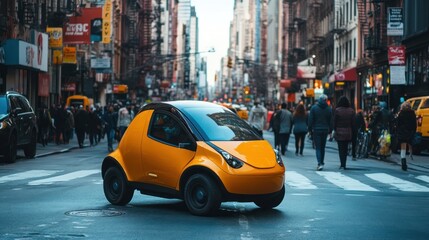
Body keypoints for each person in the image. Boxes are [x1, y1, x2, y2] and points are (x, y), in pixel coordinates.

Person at [308, 94, 333, 171]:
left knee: (318, 147)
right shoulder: (329, 109)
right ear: (326, 100)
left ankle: (319, 163)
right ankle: (322, 161)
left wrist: (309, 129)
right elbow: (331, 121)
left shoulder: (314, 108)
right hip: (325, 129)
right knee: (323, 147)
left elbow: (310, 120)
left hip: (316, 129)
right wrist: (330, 130)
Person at [333, 96, 355, 170]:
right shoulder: (351, 111)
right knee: (345, 149)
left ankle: (342, 164)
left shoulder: (337, 110)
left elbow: (335, 122)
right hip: (348, 131)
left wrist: (334, 129)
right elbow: (353, 123)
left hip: (339, 131)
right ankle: (344, 164)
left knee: (340, 149)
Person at [396, 101, 417, 171]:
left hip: (402, 131)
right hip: (410, 131)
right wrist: (414, 131)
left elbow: (398, 123)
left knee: (403, 147)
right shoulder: (412, 113)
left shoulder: (401, 113)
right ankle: (410, 154)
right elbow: (414, 124)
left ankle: (403, 162)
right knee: (410, 143)